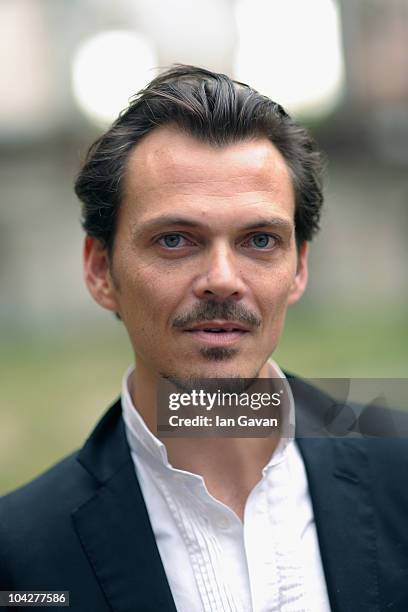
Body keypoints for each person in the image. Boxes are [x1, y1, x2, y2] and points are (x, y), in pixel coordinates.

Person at [0, 65, 407, 612]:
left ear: (299, 268)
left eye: (259, 239)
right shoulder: (19, 553)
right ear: (100, 270)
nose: (222, 278)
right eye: (175, 239)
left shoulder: (399, 471)